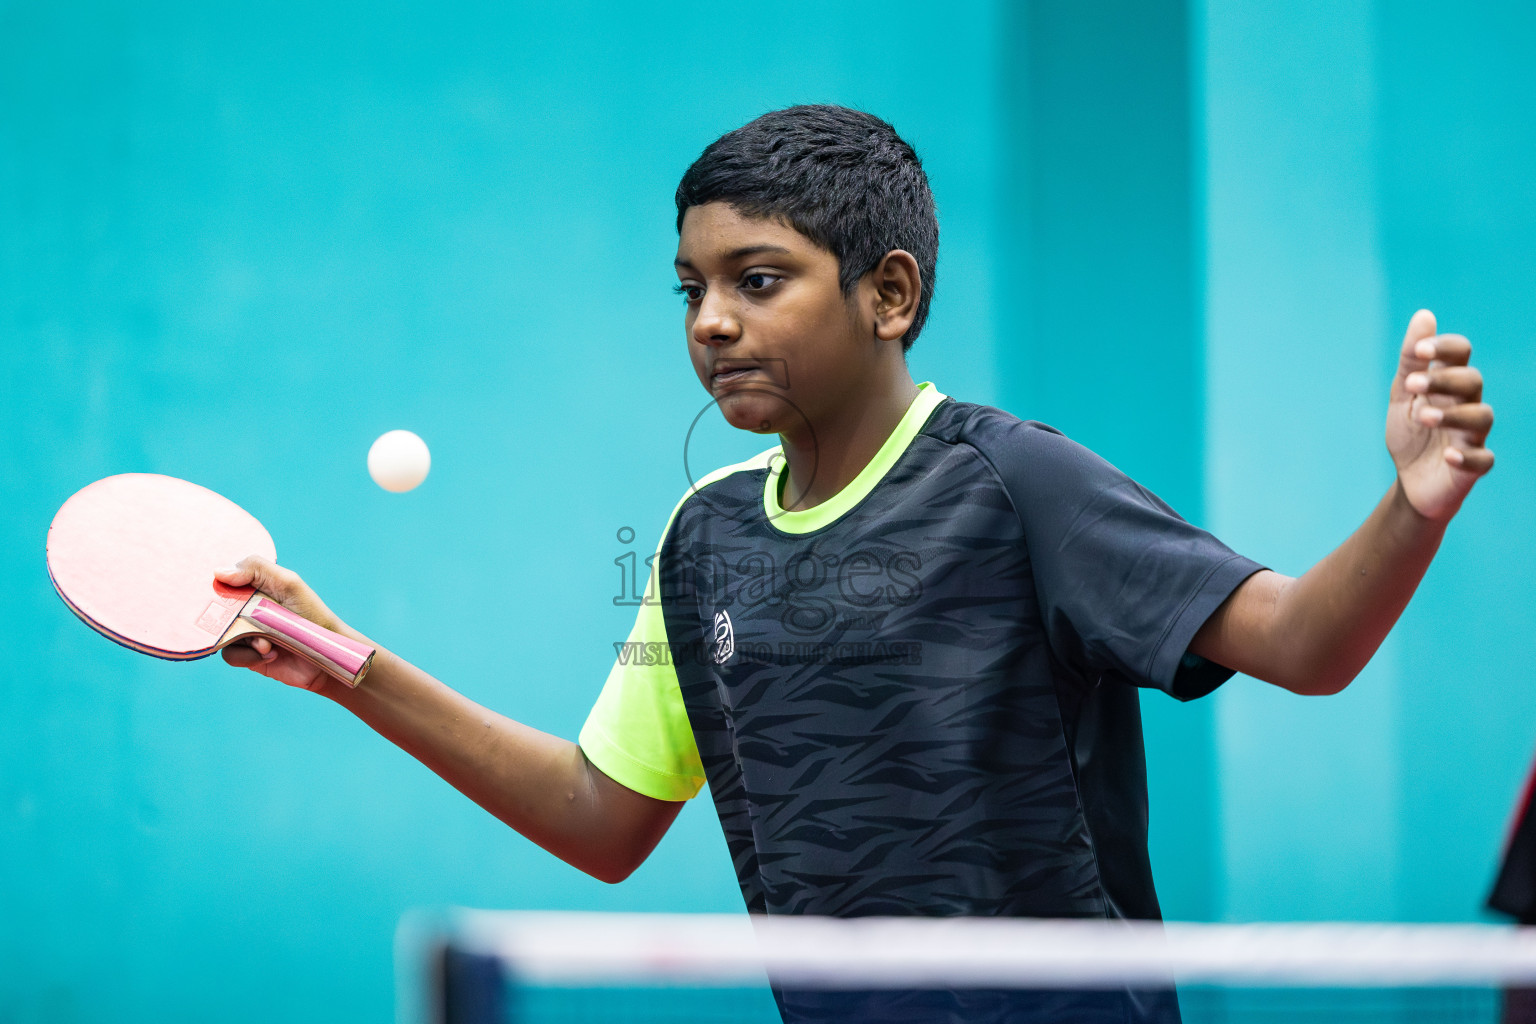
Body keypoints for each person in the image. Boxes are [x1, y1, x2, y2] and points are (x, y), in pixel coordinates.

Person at [217, 106, 1496, 1022]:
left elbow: (1303, 645)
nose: (713, 320)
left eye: (758, 279)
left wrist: (1412, 505)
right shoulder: (704, 536)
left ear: (887, 293)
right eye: (691, 288)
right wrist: (347, 665)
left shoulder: (1015, 482)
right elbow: (601, 818)